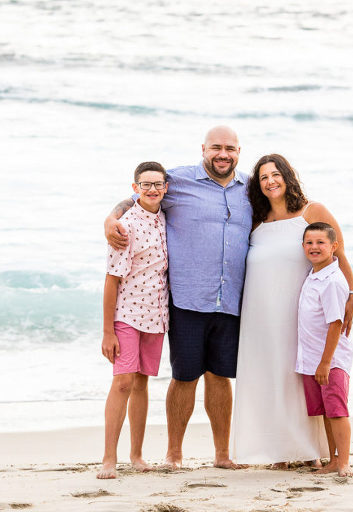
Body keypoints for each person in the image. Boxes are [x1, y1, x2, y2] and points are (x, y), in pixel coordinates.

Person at [105, 126, 250, 469]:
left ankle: (222, 455)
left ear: (239, 151)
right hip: (186, 298)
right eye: (216, 147)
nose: (222, 154)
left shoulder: (249, 188)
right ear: (203, 148)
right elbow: (141, 196)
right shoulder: (179, 181)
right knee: (184, 375)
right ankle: (173, 454)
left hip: (230, 297)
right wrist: (111, 219)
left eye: (229, 148)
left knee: (220, 376)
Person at [231, 154, 353, 467]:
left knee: (299, 380)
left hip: (301, 318)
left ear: (287, 176)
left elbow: (341, 257)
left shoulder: (312, 211)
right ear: (258, 186)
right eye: (263, 178)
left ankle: (307, 451)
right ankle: (279, 451)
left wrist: (351, 296)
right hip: (259, 317)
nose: (271, 181)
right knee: (269, 378)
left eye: (276, 174)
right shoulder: (257, 222)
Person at [98, 161, 170, 479]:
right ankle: (108, 459)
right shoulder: (124, 227)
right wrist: (107, 332)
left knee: (142, 383)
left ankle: (137, 455)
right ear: (135, 188)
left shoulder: (167, 219)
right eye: (146, 184)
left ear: (166, 187)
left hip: (157, 316)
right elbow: (111, 281)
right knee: (123, 381)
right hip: (127, 316)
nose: (152, 189)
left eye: (158, 184)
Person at [297, 222, 353, 477]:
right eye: (309, 243)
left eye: (321, 243)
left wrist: (326, 362)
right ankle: (332, 459)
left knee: (337, 411)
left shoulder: (332, 281)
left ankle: (343, 463)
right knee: (325, 413)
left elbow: (336, 323)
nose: (314, 247)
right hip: (311, 359)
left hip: (330, 360)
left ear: (334, 247)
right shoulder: (313, 275)